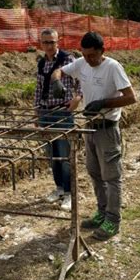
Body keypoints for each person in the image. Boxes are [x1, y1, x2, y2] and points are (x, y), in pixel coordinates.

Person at [51, 31, 136, 240]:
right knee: (95, 172)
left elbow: (131, 97)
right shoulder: (82, 63)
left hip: (107, 129)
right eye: (85, 55)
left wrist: (104, 103)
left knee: (112, 177)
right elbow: (59, 71)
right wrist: (57, 81)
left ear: (102, 51)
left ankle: (113, 220)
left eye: (92, 56)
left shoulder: (113, 68)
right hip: (89, 127)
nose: (88, 60)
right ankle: (102, 212)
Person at [34, 29, 80, 212]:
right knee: (52, 155)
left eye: (52, 42)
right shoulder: (41, 63)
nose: (49, 46)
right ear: (41, 44)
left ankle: (69, 193)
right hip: (46, 112)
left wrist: (78, 97)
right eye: (45, 42)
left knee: (64, 155)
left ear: (57, 41)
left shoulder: (68, 60)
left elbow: (82, 80)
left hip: (62, 112)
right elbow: (38, 89)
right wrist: (36, 112)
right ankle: (59, 188)